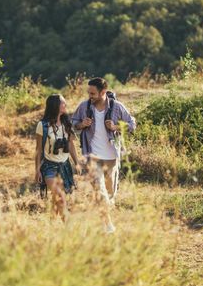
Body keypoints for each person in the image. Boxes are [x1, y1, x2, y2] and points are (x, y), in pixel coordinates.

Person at [72, 78, 136, 233]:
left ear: (103, 92)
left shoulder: (117, 107)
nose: (90, 96)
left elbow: (132, 124)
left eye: (93, 93)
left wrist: (116, 127)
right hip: (92, 158)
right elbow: (73, 123)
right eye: (89, 93)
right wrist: (82, 125)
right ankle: (108, 226)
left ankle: (106, 215)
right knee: (100, 193)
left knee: (109, 194)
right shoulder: (84, 107)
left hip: (112, 158)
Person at [35, 94, 82, 222]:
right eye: (63, 103)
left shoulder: (67, 123)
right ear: (55, 106)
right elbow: (38, 149)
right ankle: (68, 228)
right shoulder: (42, 125)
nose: (65, 105)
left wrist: (77, 163)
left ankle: (51, 224)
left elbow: (71, 145)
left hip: (65, 166)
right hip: (49, 167)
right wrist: (37, 170)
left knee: (58, 198)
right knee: (60, 198)